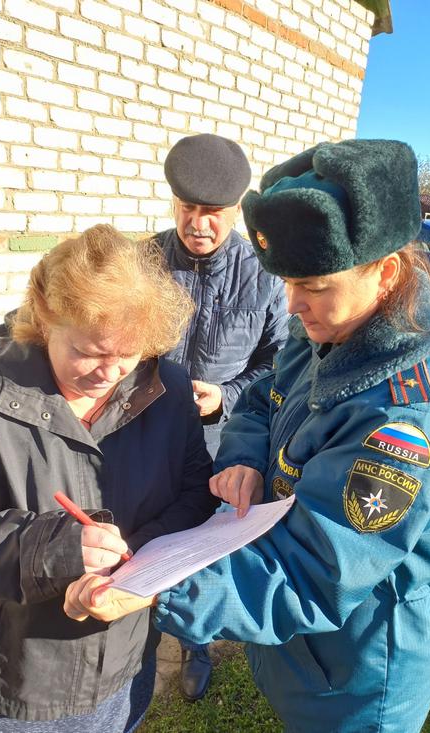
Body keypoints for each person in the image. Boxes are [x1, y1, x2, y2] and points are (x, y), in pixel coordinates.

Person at [64, 140, 430, 733]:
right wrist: (242, 457)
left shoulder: (408, 422)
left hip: (356, 666)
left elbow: (316, 572)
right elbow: (268, 397)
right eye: (287, 282)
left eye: (312, 285)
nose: (292, 304)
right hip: (297, 642)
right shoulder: (336, 329)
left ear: (386, 274)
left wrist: (158, 589)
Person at [0, 225, 218, 732]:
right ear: (45, 319)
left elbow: (195, 494)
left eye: (127, 354)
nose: (108, 373)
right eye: (88, 351)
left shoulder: (168, 386)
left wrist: (131, 564)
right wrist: (59, 551)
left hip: (124, 657)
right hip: (12, 678)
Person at [155, 133, 289, 700]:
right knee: (139, 529)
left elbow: (281, 364)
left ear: (237, 211)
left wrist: (226, 395)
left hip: (217, 442)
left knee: (198, 540)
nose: (198, 223)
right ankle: (132, 628)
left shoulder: (266, 273)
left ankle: (195, 641)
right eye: (187, 207)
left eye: (213, 212)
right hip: (143, 433)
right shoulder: (141, 263)